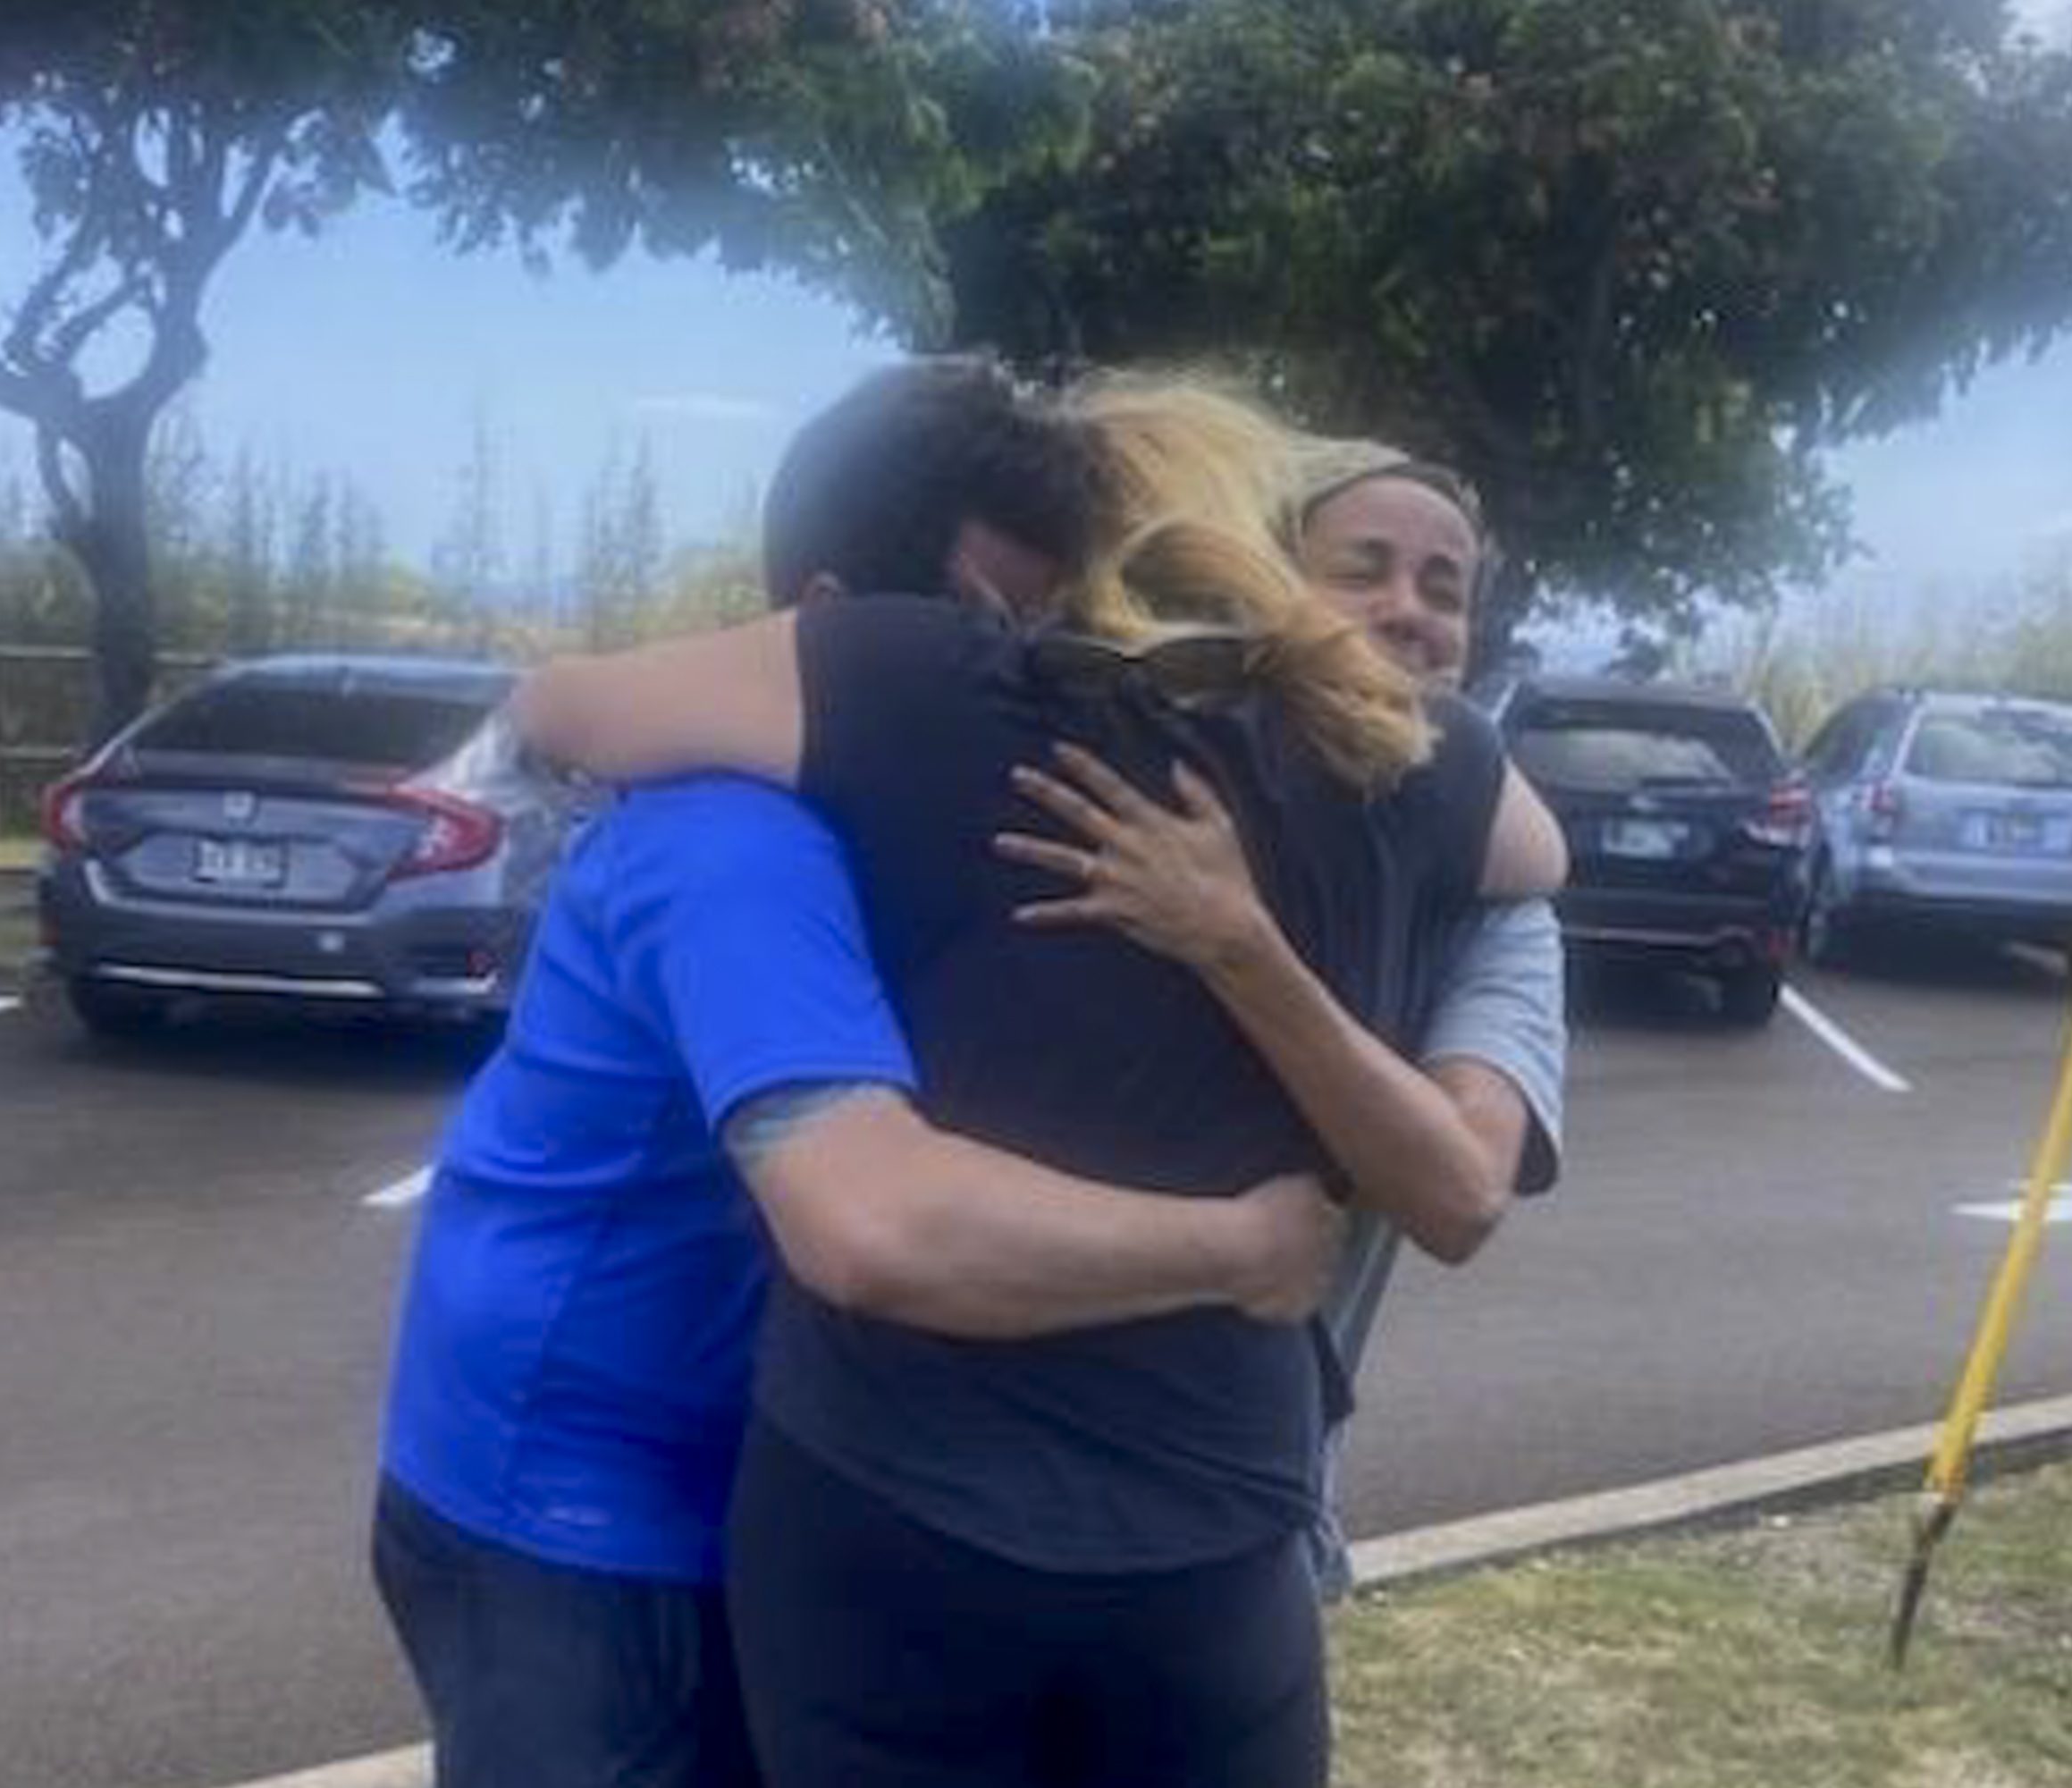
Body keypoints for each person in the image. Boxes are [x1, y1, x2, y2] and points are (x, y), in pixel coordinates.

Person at [510, 374, 1564, 1786]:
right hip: (1215, 1523)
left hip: (885, 1502)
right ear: (1272, 546)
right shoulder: (1426, 768)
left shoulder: (930, 682)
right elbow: (1539, 864)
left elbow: (567, 708)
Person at [370, 360, 1351, 1788]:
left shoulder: (900, 823)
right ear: (835, 631)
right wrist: (1243, 1246)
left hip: (742, 1471)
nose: (1039, 696)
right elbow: (877, 1225)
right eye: (992, 641)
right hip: (575, 1511)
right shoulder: (737, 844)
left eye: (1059, 645)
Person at [990, 425, 1569, 1594]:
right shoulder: (1123, 796)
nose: (1408, 611)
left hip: (1255, 1510)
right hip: (980, 1494)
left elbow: (1459, 1194)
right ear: (1263, 586)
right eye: (1361, 568)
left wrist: (1235, 941)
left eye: (1443, 590)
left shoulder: (1500, 908)